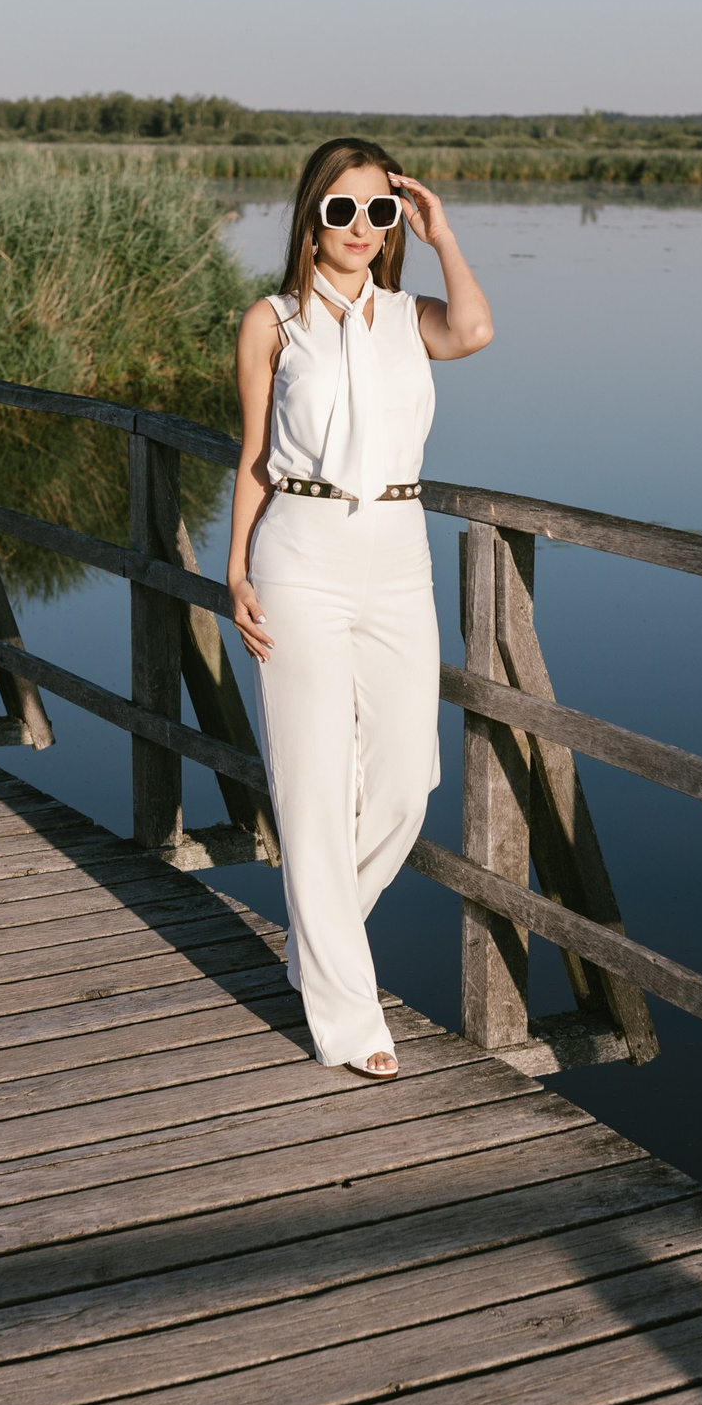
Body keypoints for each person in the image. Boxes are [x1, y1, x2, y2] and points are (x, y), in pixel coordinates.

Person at [227, 138, 494, 1079]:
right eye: (340, 211)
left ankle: (314, 933)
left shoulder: (406, 316)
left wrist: (442, 232)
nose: (358, 229)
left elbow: (475, 331)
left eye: (377, 212)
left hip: (395, 553)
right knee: (309, 782)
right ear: (311, 216)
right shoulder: (273, 322)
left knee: (402, 779)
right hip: (297, 551)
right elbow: (256, 453)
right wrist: (236, 569)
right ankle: (347, 1015)